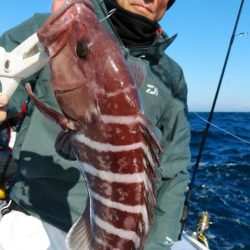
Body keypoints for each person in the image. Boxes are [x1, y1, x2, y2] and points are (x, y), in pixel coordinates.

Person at [0, 0, 191, 249]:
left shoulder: (171, 76)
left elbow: (174, 168)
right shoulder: (60, 26)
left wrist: (156, 245)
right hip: (33, 216)